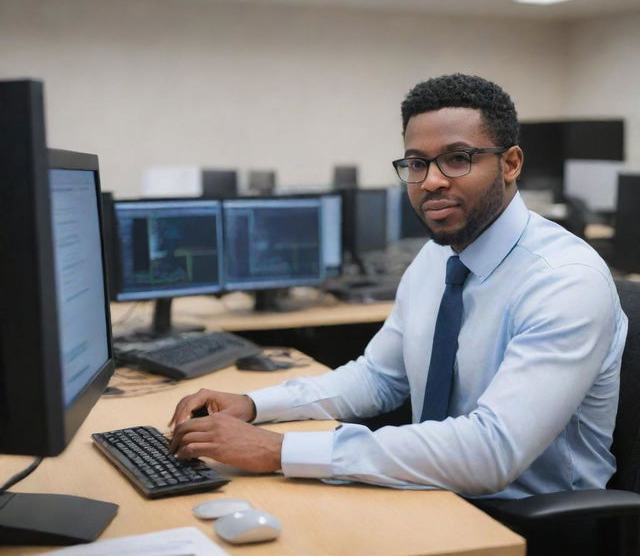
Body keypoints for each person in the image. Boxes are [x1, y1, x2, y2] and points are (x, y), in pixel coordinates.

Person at [169, 73, 627, 499]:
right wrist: (253, 405)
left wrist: (277, 450)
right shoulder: (438, 257)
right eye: (416, 163)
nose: (431, 181)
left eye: (457, 159)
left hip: (530, 520)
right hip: (430, 491)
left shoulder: (564, 280)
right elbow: (379, 378)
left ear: (510, 163)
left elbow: (492, 451)